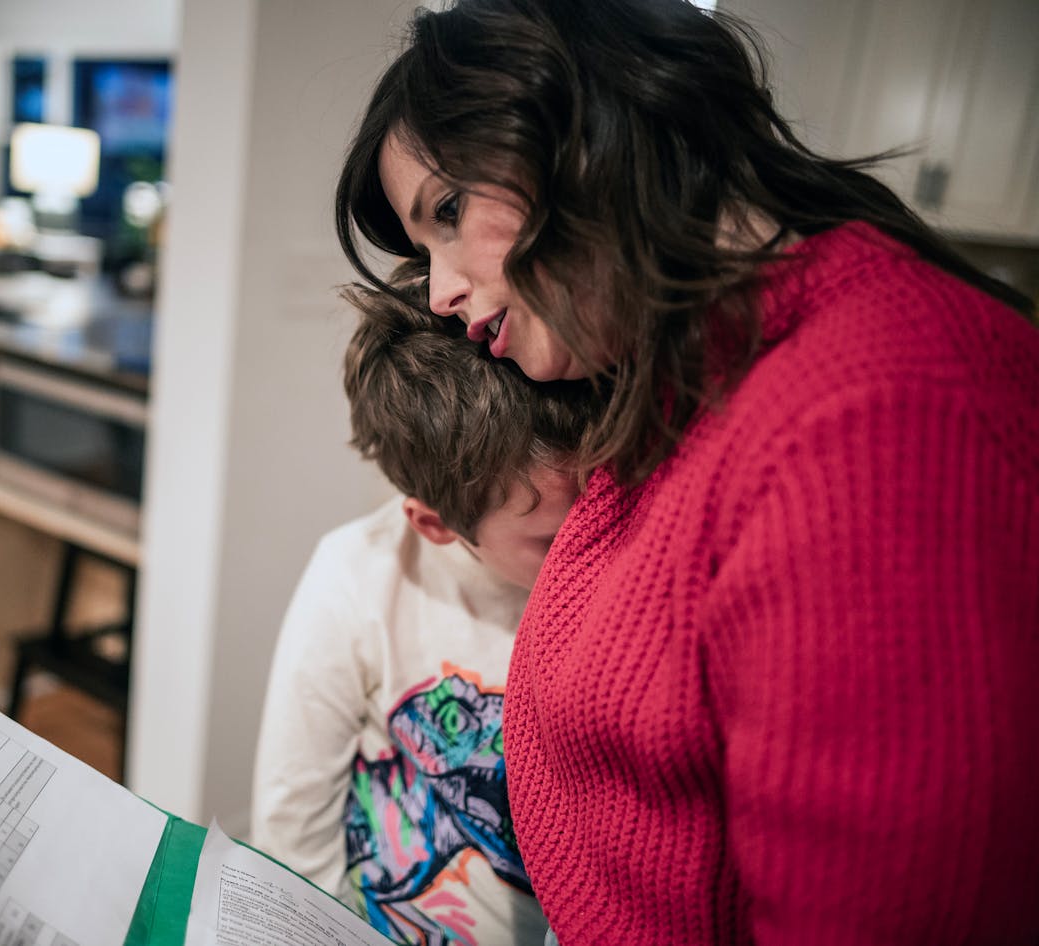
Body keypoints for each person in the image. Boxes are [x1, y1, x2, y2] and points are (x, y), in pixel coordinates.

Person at [334, 1, 1039, 943]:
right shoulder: (689, 377)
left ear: (584, 134)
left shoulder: (878, 418)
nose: (442, 289)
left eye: (451, 212)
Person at [251, 282, 601, 946]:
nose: (593, 546)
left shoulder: (620, 580)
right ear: (436, 524)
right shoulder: (357, 578)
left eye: (605, 499)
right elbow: (292, 836)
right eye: (552, 539)